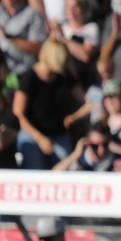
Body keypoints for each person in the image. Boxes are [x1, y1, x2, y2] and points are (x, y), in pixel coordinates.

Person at [13, 39, 83, 170]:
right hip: (32, 134)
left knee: (64, 174)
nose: (66, 64)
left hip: (59, 134)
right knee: (35, 174)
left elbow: (85, 100)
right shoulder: (29, 78)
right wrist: (40, 138)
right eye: (64, 60)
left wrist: (76, 116)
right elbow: (19, 113)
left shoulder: (64, 76)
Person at [53, 0, 100, 65]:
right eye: (68, 6)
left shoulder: (91, 28)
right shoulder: (60, 28)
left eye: (75, 7)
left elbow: (85, 56)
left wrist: (63, 39)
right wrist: (54, 32)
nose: (71, 10)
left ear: (83, 9)